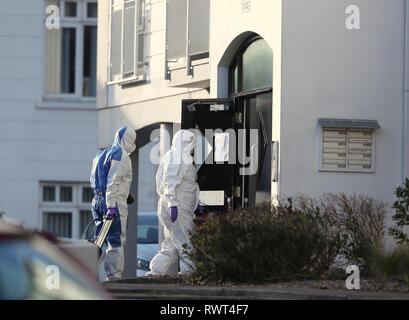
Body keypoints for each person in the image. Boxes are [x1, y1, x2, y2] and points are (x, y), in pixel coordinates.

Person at [147, 130, 202, 276]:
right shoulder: (176, 157)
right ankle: (188, 275)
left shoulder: (177, 156)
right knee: (185, 242)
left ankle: (155, 272)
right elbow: (169, 181)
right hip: (178, 207)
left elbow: (186, 184)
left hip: (179, 206)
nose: (190, 145)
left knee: (171, 244)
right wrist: (172, 203)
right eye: (188, 142)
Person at [90, 126, 136, 281]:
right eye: (132, 140)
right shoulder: (121, 155)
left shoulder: (101, 154)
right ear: (127, 139)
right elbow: (113, 181)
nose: (133, 144)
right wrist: (111, 205)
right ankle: (114, 278)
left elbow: (98, 180)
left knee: (99, 242)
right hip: (113, 204)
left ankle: (88, 275)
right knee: (116, 242)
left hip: (97, 202)